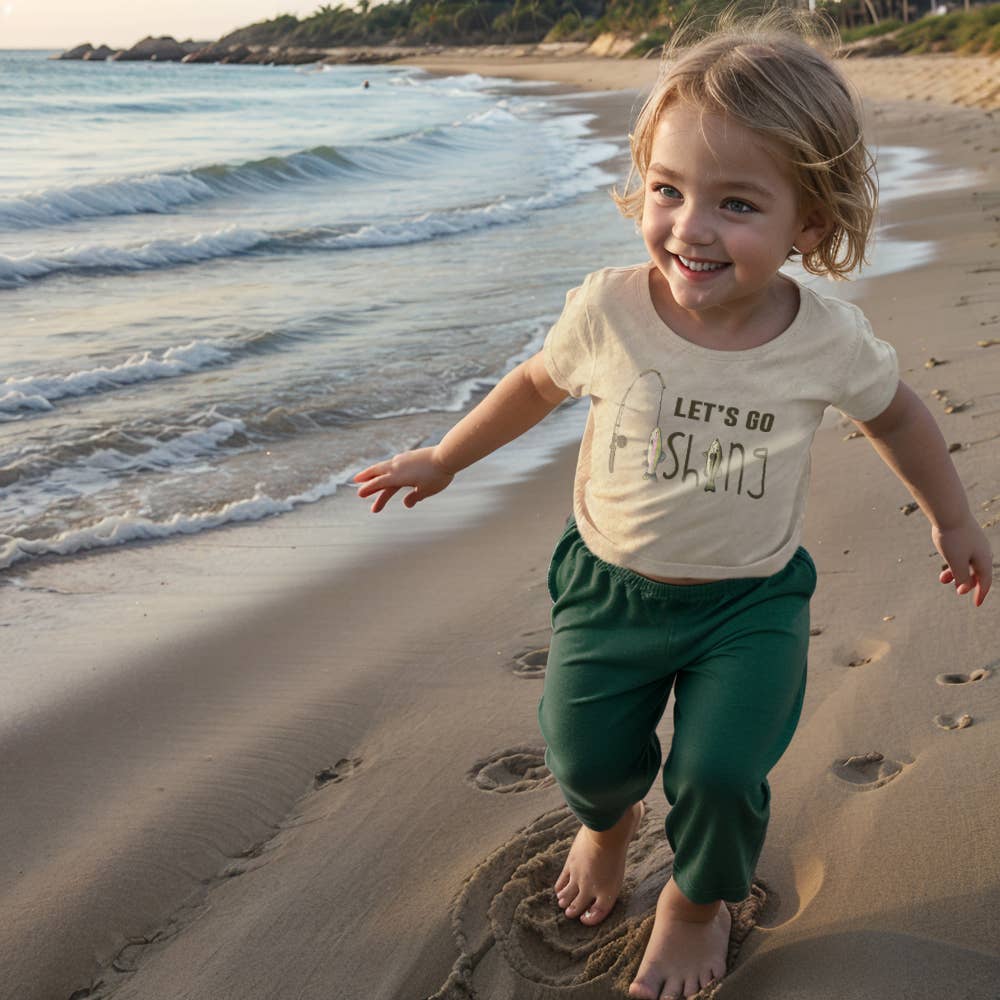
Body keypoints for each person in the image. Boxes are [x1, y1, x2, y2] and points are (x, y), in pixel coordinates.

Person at [353, 9, 993, 999]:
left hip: (751, 604)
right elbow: (535, 383)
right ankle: (605, 829)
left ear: (806, 226)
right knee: (587, 756)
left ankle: (695, 904)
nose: (689, 227)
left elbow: (899, 416)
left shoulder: (821, 335)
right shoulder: (609, 307)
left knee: (721, 776)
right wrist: (444, 455)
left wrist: (951, 518)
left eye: (736, 204)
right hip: (608, 591)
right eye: (667, 190)